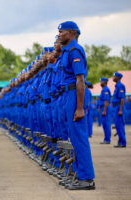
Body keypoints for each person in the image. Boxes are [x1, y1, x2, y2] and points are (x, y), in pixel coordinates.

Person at [58, 21, 95, 190]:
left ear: (72, 32)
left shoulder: (74, 50)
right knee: (74, 139)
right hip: (68, 95)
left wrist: (80, 107)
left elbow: (80, 79)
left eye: (62, 31)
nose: (59, 34)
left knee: (79, 139)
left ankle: (87, 179)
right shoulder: (67, 51)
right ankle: (79, 176)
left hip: (75, 94)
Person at [112, 72, 127, 148]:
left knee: (120, 125)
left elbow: (122, 99)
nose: (113, 77)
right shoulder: (117, 86)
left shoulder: (120, 86)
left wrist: (120, 110)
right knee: (118, 126)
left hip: (118, 107)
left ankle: (122, 142)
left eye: (114, 76)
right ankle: (120, 141)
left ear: (118, 77)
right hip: (116, 107)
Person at [99, 77, 112, 144]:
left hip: (105, 108)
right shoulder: (104, 89)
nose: (100, 82)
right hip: (104, 108)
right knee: (104, 124)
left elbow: (106, 101)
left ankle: (107, 139)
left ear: (105, 82)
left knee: (106, 124)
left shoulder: (106, 89)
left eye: (101, 81)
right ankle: (106, 138)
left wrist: (104, 110)